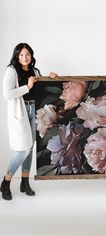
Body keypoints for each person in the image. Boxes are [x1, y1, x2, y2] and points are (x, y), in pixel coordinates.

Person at [0, 43, 57, 200]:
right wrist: (27, 86)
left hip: (34, 110)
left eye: (27, 54)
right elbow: (8, 94)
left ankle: (24, 182)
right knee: (22, 149)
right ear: (17, 57)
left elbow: (42, 90)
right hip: (21, 112)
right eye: (21, 55)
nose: (24, 57)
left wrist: (50, 79)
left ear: (31, 56)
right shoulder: (11, 71)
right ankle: (6, 181)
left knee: (30, 148)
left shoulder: (35, 71)